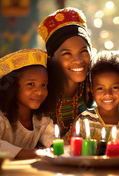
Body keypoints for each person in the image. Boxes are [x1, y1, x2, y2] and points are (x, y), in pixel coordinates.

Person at [0, 49, 55, 159]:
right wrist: (34, 154)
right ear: (12, 87)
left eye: (44, 85)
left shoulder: (40, 119)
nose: (40, 91)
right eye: (31, 84)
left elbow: (55, 142)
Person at [38, 7, 93, 140]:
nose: (78, 60)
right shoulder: (41, 92)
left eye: (83, 51)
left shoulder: (94, 88)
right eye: (67, 54)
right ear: (51, 57)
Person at [73, 51, 119, 141]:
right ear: (92, 91)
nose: (108, 94)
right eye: (100, 88)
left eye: (114, 87)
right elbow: (72, 151)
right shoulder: (82, 121)